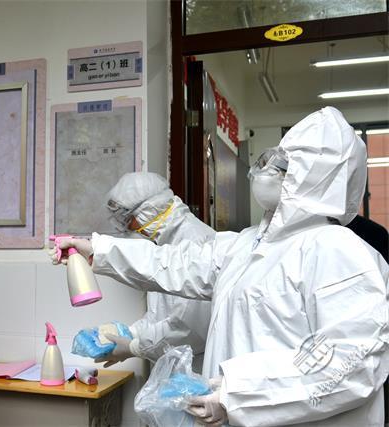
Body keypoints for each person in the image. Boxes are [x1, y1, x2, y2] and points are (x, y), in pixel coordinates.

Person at [53, 107, 389, 426]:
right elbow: (174, 263)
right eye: (274, 160)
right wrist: (98, 249)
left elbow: (351, 365)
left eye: (285, 166)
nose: (267, 171)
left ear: (318, 179)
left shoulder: (338, 251)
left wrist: (235, 394)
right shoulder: (249, 243)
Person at [69, 172, 214, 372]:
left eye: (128, 219)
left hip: (196, 368)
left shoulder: (196, 240)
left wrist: (134, 347)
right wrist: (127, 332)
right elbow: (159, 315)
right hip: (173, 364)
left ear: (149, 210)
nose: (127, 227)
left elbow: (191, 330)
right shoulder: (164, 242)